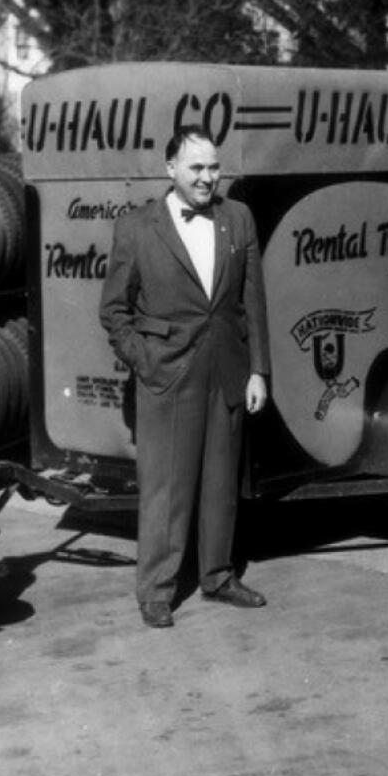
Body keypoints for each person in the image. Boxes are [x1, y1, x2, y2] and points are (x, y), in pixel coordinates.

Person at [99, 124, 270, 628]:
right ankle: (156, 589)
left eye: (214, 167)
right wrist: (145, 359)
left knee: (220, 482)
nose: (206, 177)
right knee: (166, 487)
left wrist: (257, 370)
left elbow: (251, 302)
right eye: (196, 167)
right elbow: (113, 310)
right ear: (170, 168)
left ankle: (217, 576)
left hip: (227, 371)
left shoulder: (237, 219)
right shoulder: (136, 227)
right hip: (167, 376)